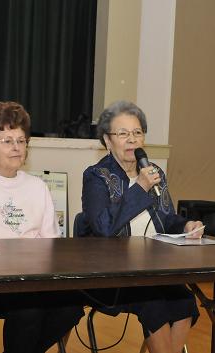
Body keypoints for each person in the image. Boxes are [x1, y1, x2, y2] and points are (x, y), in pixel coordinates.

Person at [0, 101, 84, 353]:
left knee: (71, 306)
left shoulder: (37, 186)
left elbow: (51, 242)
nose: (16, 148)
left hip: (32, 278)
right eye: (7, 141)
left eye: (21, 141)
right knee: (29, 308)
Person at [81, 100, 201, 353]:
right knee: (154, 302)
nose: (131, 140)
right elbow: (103, 228)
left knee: (185, 301)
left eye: (137, 133)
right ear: (107, 140)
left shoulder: (153, 171)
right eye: (122, 134)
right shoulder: (96, 176)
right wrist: (140, 189)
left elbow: (168, 219)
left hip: (153, 269)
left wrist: (187, 225)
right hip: (112, 274)